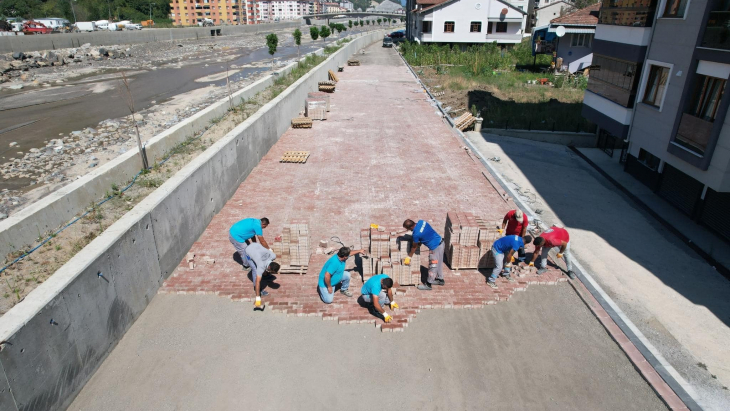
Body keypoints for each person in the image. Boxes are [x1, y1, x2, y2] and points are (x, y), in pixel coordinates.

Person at [402, 219, 444, 291]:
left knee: (433, 266)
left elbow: (414, 247)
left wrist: (409, 256)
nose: (408, 231)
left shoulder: (416, 234)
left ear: (411, 227)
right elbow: (424, 234)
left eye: (408, 229)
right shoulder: (422, 222)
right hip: (441, 242)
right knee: (439, 263)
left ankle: (428, 284)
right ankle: (440, 279)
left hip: (435, 248)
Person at [244, 242, 280, 307]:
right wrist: (258, 298)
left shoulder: (273, 256)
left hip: (255, 244)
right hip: (248, 251)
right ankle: (257, 290)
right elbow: (258, 282)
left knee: (263, 269)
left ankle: (265, 276)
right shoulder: (260, 266)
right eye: (272, 271)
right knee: (255, 270)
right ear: (269, 268)